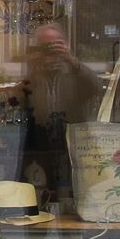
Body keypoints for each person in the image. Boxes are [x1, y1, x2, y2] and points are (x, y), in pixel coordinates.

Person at [23, 23, 102, 203]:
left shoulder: (74, 74)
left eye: (55, 44)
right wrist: (32, 67)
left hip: (72, 149)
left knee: (74, 198)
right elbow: (21, 100)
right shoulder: (35, 76)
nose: (50, 50)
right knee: (41, 197)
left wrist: (72, 60)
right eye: (45, 46)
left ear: (65, 45)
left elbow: (96, 88)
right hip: (41, 150)